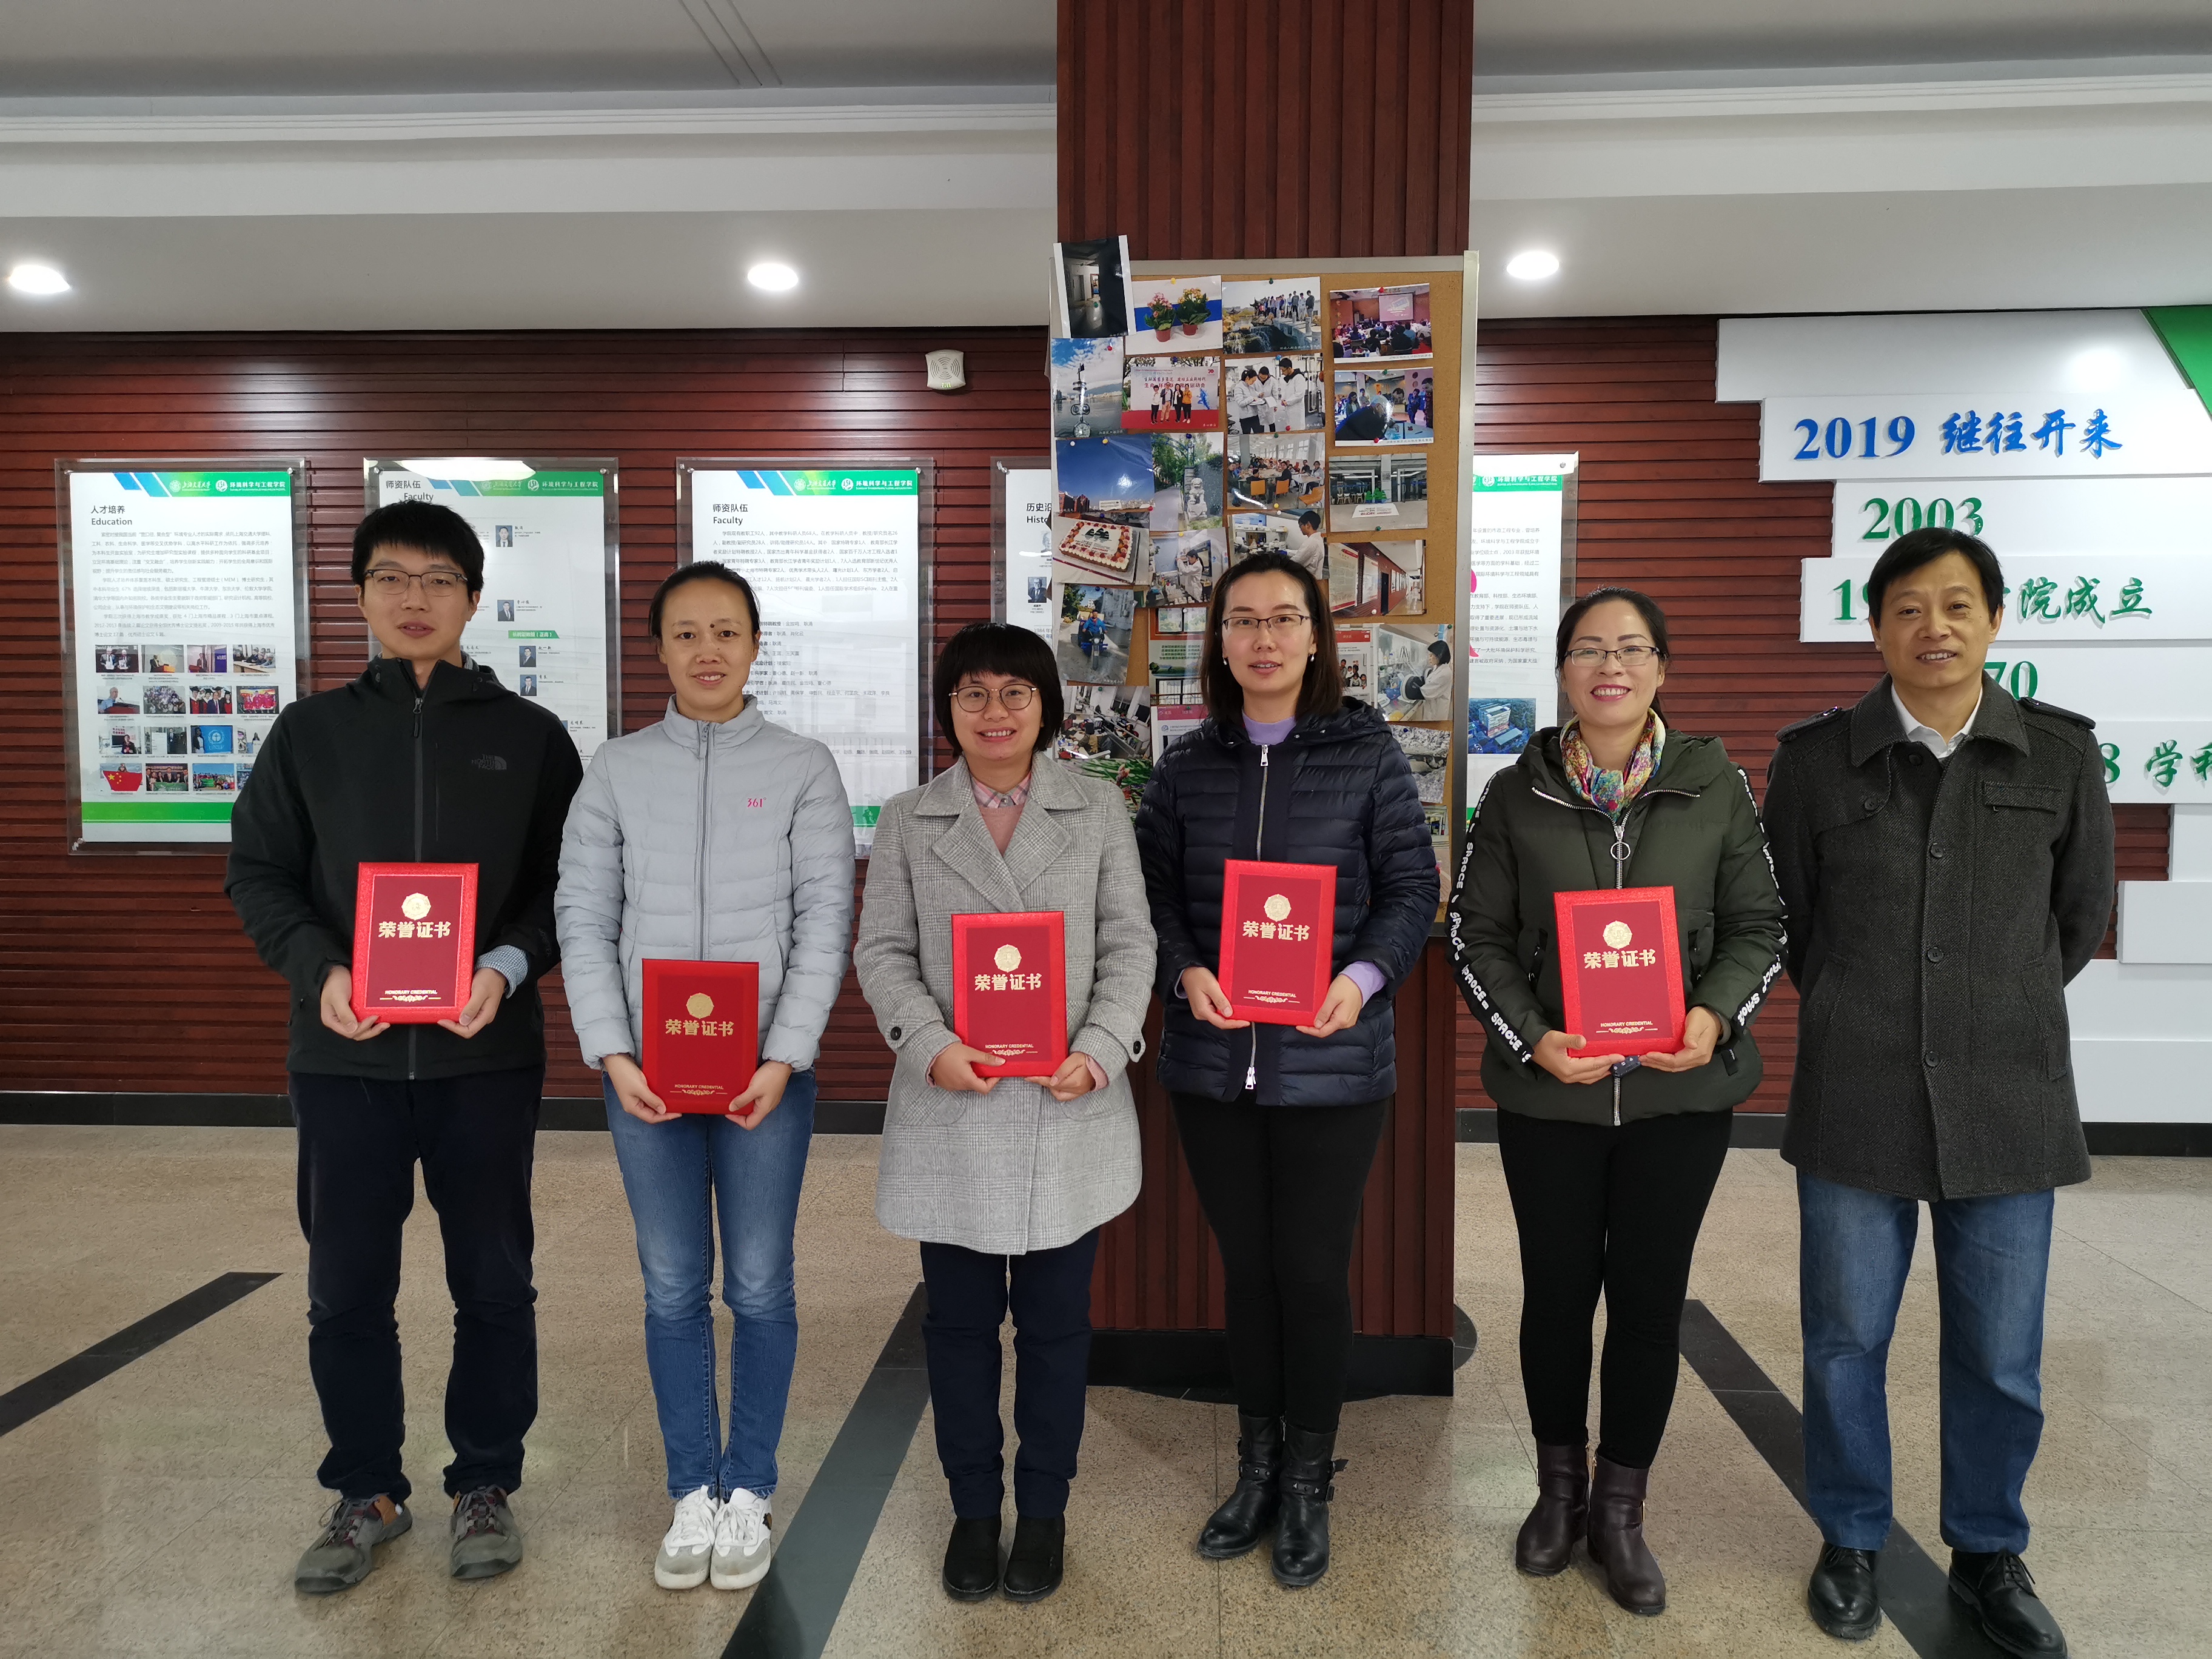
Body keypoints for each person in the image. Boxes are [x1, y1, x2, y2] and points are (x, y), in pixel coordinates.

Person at [1765, 528, 2113, 1656]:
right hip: (1856, 1089)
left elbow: (2076, 918)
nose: (1934, 628)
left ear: (1995, 620)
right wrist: (1865, 1004)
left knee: (2000, 1354)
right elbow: (1793, 922)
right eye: (1908, 608)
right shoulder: (1816, 761)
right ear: (1874, 627)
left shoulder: (2059, 755)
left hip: (2009, 1094)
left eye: (1958, 605)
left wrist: (1993, 1003)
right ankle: (1850, 1538)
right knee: (1843, 1341)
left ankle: (1988, 1550)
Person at [225, 500, 583, 1594]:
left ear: (473, 596)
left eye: (437, 579)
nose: (413, 598)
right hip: (347, 1062)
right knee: (345, 1288)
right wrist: (321, 971)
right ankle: (365, 1490)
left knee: (494, 1282)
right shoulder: (309, 734)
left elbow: (570, 887)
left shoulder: (532, 737)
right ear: (361, 596)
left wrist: (508, 965)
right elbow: (259, 874)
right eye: (390, 577)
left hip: (485, 1057)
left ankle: (486, 1480)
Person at [1447, 587, 1784, 1616]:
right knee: (1555, 1298)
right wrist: (1534, 1039)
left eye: (1631, 649)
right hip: (1551, 1099)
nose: (1610, 666)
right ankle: (1558, 1494)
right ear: (1562, 671)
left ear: (1661, 669)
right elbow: (1474, 933)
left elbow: (1760, 925)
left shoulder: (1715, 785)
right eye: (1589, 649)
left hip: (1678, 1102)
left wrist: (1713, 1018)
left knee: (1646, 1303)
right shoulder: (1516, 793)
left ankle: (1622, 1512)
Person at [1133, 552, 1437, 1588]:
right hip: (1213, 1062)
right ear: (1218, 642)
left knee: (1309, 1272)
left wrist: (1362, 976)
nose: (1262, 638)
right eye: (1243, 621)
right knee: (1248, 1271)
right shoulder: (1186, 766)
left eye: (1283, 619)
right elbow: (1152, 896)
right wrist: (1184, 971)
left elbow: (1411, 889)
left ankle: (1308, 1477)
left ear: (1317, 638)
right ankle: (1256, 1467)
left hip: (1331, 1061)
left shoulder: (1368, 754)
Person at [554, 561, 853, 1594]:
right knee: (673, 1284)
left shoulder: (804, 766)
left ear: (756, 644)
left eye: (726, 631)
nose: (708, 650)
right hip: (645, 1075)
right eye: (686, 633)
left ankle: (750, 1485)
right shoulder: (616, 768)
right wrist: (612, 1051)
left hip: (765, 1075)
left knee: (760, 1282)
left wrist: (786, 1054)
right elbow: (583, 917)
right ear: (659, 650)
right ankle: (692, 1486)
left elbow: (824, 919)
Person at [854, 622, 1156, 1605]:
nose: (994, 712)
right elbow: (882, 951)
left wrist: (1101, 1047)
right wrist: (927, 1042)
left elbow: (1130, 944)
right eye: (973, 694)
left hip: (1066, 1109)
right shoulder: (910, 819)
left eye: (1015, 693)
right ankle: (974, 1512)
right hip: (954, 1110)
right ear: (948, 710)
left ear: (1045, 708)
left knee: (1058, 1330)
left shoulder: (1098, 808)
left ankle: (1046, 1509)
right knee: (958, 1328)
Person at [1285, 508, 1327, 582]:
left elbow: (1297, 561)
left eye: (1301, 525)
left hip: (1310, 580)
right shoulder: (1317, 539)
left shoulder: (1312, 542)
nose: (1300, 529)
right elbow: (1302, 553)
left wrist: (1282, 562)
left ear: (1308, 525)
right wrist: (1287, 552)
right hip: (1314, 578)